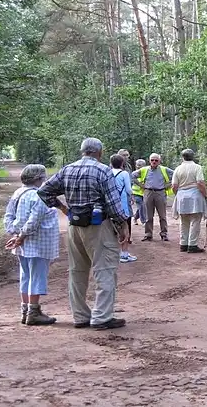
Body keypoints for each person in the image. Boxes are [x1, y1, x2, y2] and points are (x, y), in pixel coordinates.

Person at [37, 137, 129, 330]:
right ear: (100, 152)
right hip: (98, 226)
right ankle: (102, 316)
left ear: (82, 151)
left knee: (77, 271)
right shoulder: (103, 170)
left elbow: (44, 191)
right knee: (104, 269)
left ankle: (80, 316)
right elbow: (113, 204)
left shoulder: (67, 169)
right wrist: (123, 225)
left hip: (74, 225)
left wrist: (63, 208)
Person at [3, 164, 60, 326]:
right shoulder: (39, 195)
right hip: (38, 243)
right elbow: (34, 221)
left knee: (26, 275)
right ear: (38, 179)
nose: (45, 179)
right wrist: (21, 236)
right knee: (37, 276)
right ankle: (33, 312)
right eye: (43, 177)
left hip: (22, 243)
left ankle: (26, 310)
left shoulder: (18, 193)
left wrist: (14, 233)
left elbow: (8, 216)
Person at [171, 148, 207, 253]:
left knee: (184, 221)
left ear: (182, 157)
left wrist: (178, 195)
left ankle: (183, 244)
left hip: (182, 196)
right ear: (193, 156)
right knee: (195, 221)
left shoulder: (178, 169)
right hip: (195, 196)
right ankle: (192, 245)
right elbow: (200, 183)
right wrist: (206, 195)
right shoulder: (197, 167)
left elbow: (174, 186)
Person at [134, 153, 172, 242]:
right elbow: (132, 176)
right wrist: (140, 185)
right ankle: (148, 234)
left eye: (156, 160)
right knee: (148, 216)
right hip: (148, 192)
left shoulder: (164, 169)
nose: (154, 162)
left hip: (160, 192)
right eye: (152, 160)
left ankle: (164, 234)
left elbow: (176, 175)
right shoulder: (144, 170)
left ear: (159, 161)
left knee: (162, 216)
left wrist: (169, 185)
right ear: (149, 160)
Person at [111, 154, 136, 263]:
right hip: (122, 203)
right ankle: (124, 254)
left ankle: (116, 254)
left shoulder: (108, 172)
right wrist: (132, 196)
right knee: (124, 228)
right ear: (122, 163)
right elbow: (129, 189)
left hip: (111, 203)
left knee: (114, 229)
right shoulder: (124, 173)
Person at [132, 158, 147, 225]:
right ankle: (143, 221)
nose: (138, 166)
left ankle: (135, 217)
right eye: (137, 165)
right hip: (136, 193)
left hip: (144, 193)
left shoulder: (146, 173)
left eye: (140, 165)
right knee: (141, 206)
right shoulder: (134, 174)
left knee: (142, 207)